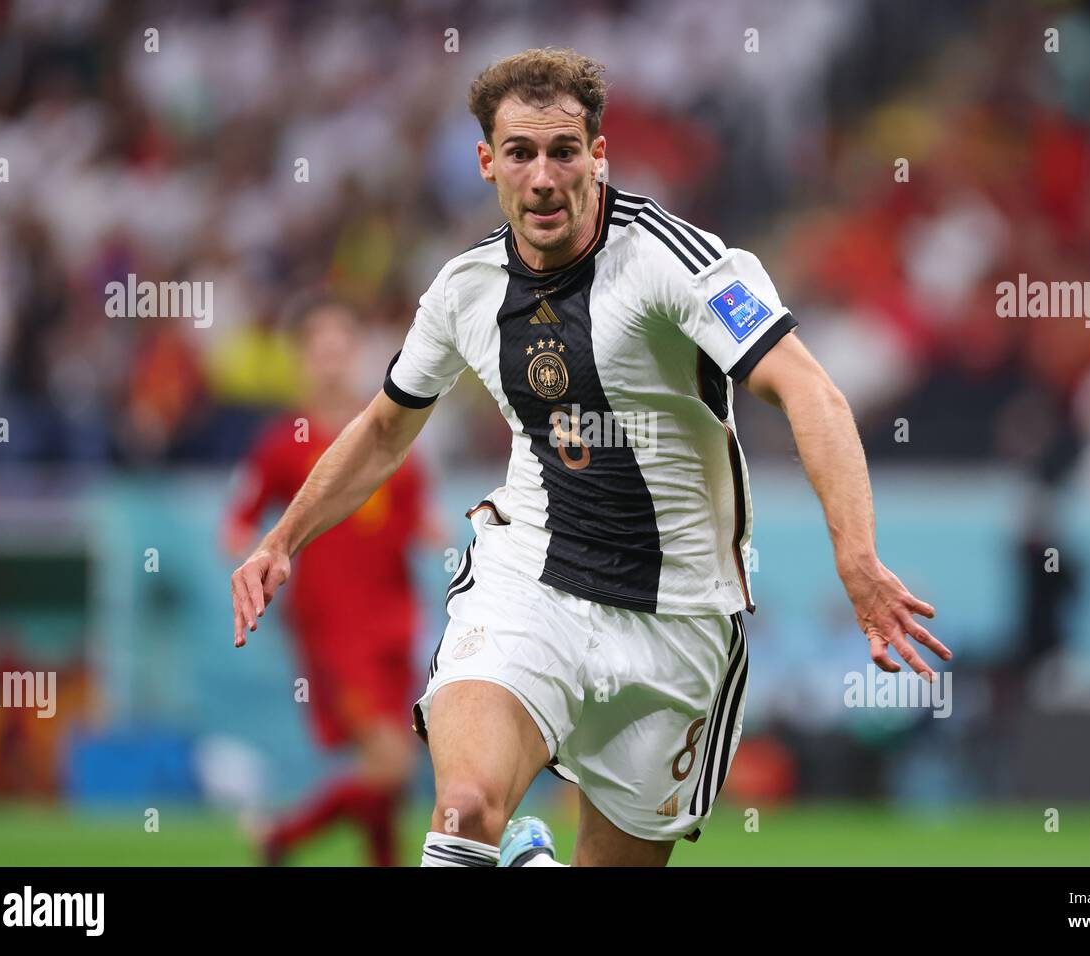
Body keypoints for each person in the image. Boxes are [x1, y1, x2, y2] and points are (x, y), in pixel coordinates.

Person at [230, 47, 950, 867]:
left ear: (598, 155)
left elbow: (810, 392)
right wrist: (281, 540)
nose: (543, 177)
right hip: (531, 577)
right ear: (486, 163)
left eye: (564, 151)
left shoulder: (680, 265)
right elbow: (386, 426)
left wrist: (855, 558)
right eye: (520, 153)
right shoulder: (464, 291)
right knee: (463, 812)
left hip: (679, 619)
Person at [223, 298, 435, 865]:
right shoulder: (282, 444)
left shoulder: (390, 436)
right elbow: (238, 522)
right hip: (334, 634)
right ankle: (282, 838)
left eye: (343, 347)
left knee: (386, 773)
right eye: (322, 349)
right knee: (391, 762)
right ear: (303, 359)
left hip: (394, 627)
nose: (334, 360)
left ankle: (287, 843)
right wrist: (252, 552)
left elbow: (416, 520)